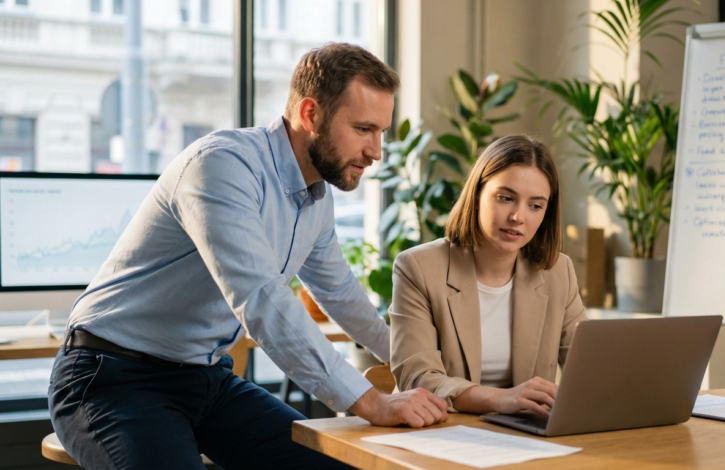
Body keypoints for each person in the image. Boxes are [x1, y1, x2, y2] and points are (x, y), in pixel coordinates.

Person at [48, 43, 448, 470]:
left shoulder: (317, 195)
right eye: (364, 129)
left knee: (338, 465)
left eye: (381, 132)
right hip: (110, 377)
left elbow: (340, 293)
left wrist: (419, 362)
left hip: (207, 379)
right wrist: (369, 402)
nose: (376, 151)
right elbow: (262, 300)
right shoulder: (222, 165)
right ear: (311, 114)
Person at [390, 135, 588, 417]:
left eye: (535, 205)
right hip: (439, 430)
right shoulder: (417, 267)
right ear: (477, 194)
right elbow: (417, 377)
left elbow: (587, 368)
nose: (518, 217)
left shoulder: (558, 272)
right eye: (506, 198)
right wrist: (500, 399)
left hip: (525, 436)